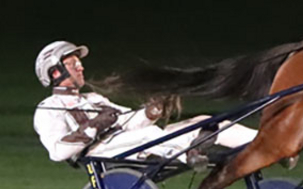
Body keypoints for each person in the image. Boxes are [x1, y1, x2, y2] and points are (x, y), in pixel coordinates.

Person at [33, 41, 257, 165]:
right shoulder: (46, 110)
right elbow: (58, 151)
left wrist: (152, 110)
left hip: (130, 143)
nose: (81, 67)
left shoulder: (94, 99)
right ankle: (188, 153)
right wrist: (95, 125)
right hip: (102, 153)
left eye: (79, 63)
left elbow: (131, 122)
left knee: (204, 122)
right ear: (55, 73)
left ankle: (263, 142)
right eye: (73, 64)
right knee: (148, 135)